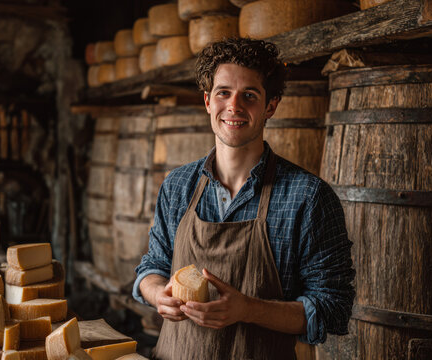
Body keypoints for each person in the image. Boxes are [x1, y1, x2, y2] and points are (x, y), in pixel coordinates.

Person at [133, 37, 354, 359]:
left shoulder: (309, 196)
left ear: (271, 106)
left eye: (249, 95)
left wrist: (247, 309)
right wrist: (157, 294)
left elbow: (333, 308)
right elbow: (153, 264)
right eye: (224, 92)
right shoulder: (178, 184)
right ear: (208, 101)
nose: (234, 106)